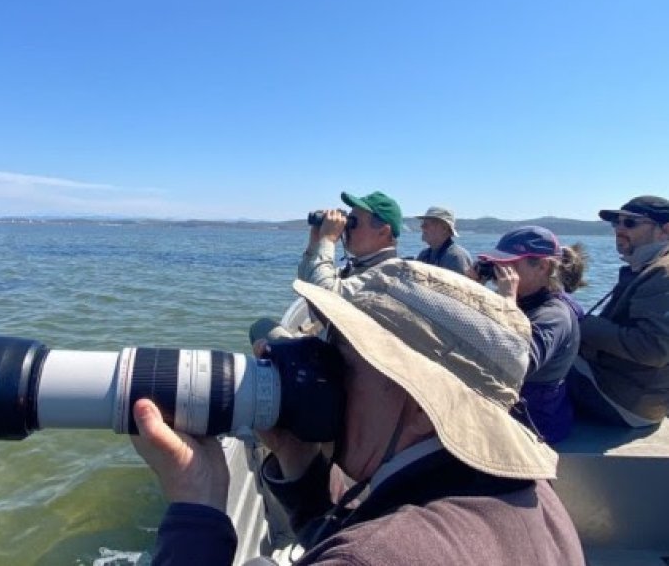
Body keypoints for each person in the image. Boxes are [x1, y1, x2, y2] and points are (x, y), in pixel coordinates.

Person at [131, 261, 584, 565]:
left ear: (424, 403)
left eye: (340, 358)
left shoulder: (375, 556)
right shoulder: (530, 495)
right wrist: (301, 464)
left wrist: (198, 507)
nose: (320, 370)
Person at [476, 226, 586, 443]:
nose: (499, 272)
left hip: (533, 424)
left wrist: (506, 302)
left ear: (542, 267)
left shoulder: (554, 316)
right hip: (508, 410)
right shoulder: (524, 301)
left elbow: (513, 364)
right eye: (496, 264)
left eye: (508, 265)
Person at [568, 195, 669, 427]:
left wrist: (579, 321)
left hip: (622, 401)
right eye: (616, 223)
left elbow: (653, 349)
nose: (619, 229)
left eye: (630, 223)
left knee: (536, 363)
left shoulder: (663, 274)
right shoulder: (646, 268)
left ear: (665, 230)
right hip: (634, 395)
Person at [250, 190, 402, 345]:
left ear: (383, 232)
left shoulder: (389, 274)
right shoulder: (362, 266)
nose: (345, 228)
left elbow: (325, 298)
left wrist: (327, 240)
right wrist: (315, 243)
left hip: (342, 361)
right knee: (262, 328)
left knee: (262, 328)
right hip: (336, 347)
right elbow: (305, 283)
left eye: (353, 222)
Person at [414, 205, 472, 275]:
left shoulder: (455, 257)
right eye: (423, 223)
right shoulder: (424, 255)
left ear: (444, 228)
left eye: (427, 224)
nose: (422, 227)